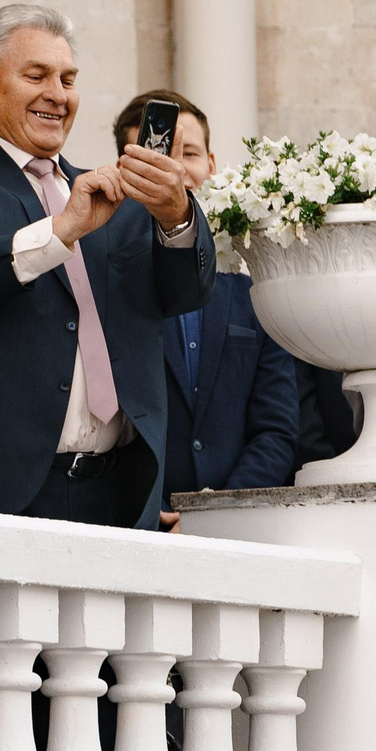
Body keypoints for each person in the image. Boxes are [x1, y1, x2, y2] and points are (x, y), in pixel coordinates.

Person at [0, 3, 213, 528]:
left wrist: (176, 215)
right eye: (37, 76)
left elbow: (186, 295)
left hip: (115, 496)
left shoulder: (114, 201)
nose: (59, 94)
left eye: (69, 79)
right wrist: (59, 231)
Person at [112, 89, 299, 526]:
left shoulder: (257, 285)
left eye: (189, 153)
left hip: (241, 524)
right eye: (157, 155)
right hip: (139, 523)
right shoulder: (109, 278)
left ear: (211, 165)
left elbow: (276, 429)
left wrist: (215, 512)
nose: (174, 171)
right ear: (128, 167)